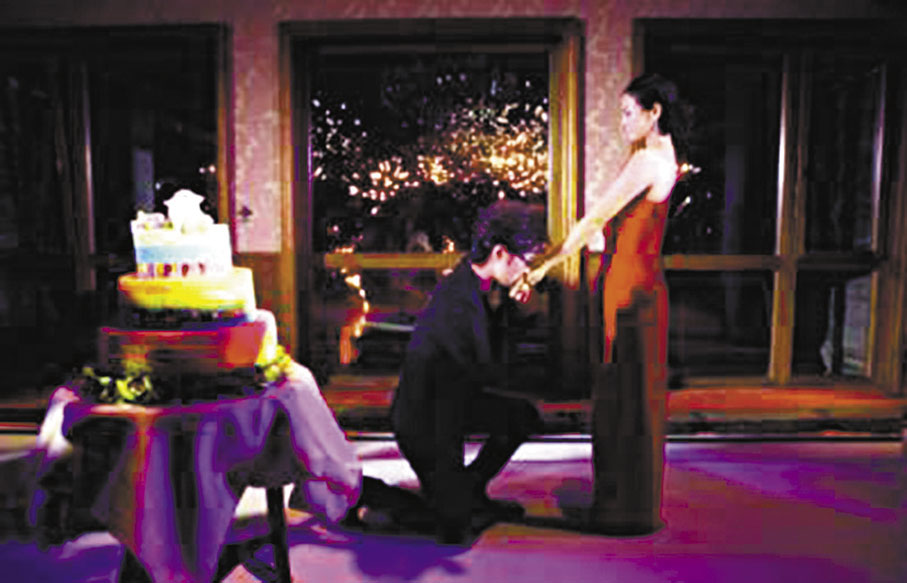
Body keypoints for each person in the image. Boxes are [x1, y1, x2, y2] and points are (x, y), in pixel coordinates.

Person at [390, 199, 546, 545]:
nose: (529, 271)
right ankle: (365, 494)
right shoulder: (458, 300)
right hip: (425, 420)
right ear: (501, 253)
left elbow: (492, 362)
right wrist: (519, 316)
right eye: (528, 261)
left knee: (521, 417)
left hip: (455, 402)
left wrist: (516, 312)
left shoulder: (484, 283)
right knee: (454, 532)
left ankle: (469, 488)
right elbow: (491, 370)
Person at [512, 73, 693, 370]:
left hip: (626, 284)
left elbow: (595, 219)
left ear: (654, 112)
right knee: (637, 376)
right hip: (648, 283)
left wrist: (546, 264)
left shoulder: (647, 160)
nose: (622, 123)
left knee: (621, 373)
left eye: (628, 113)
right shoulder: (668, 159)